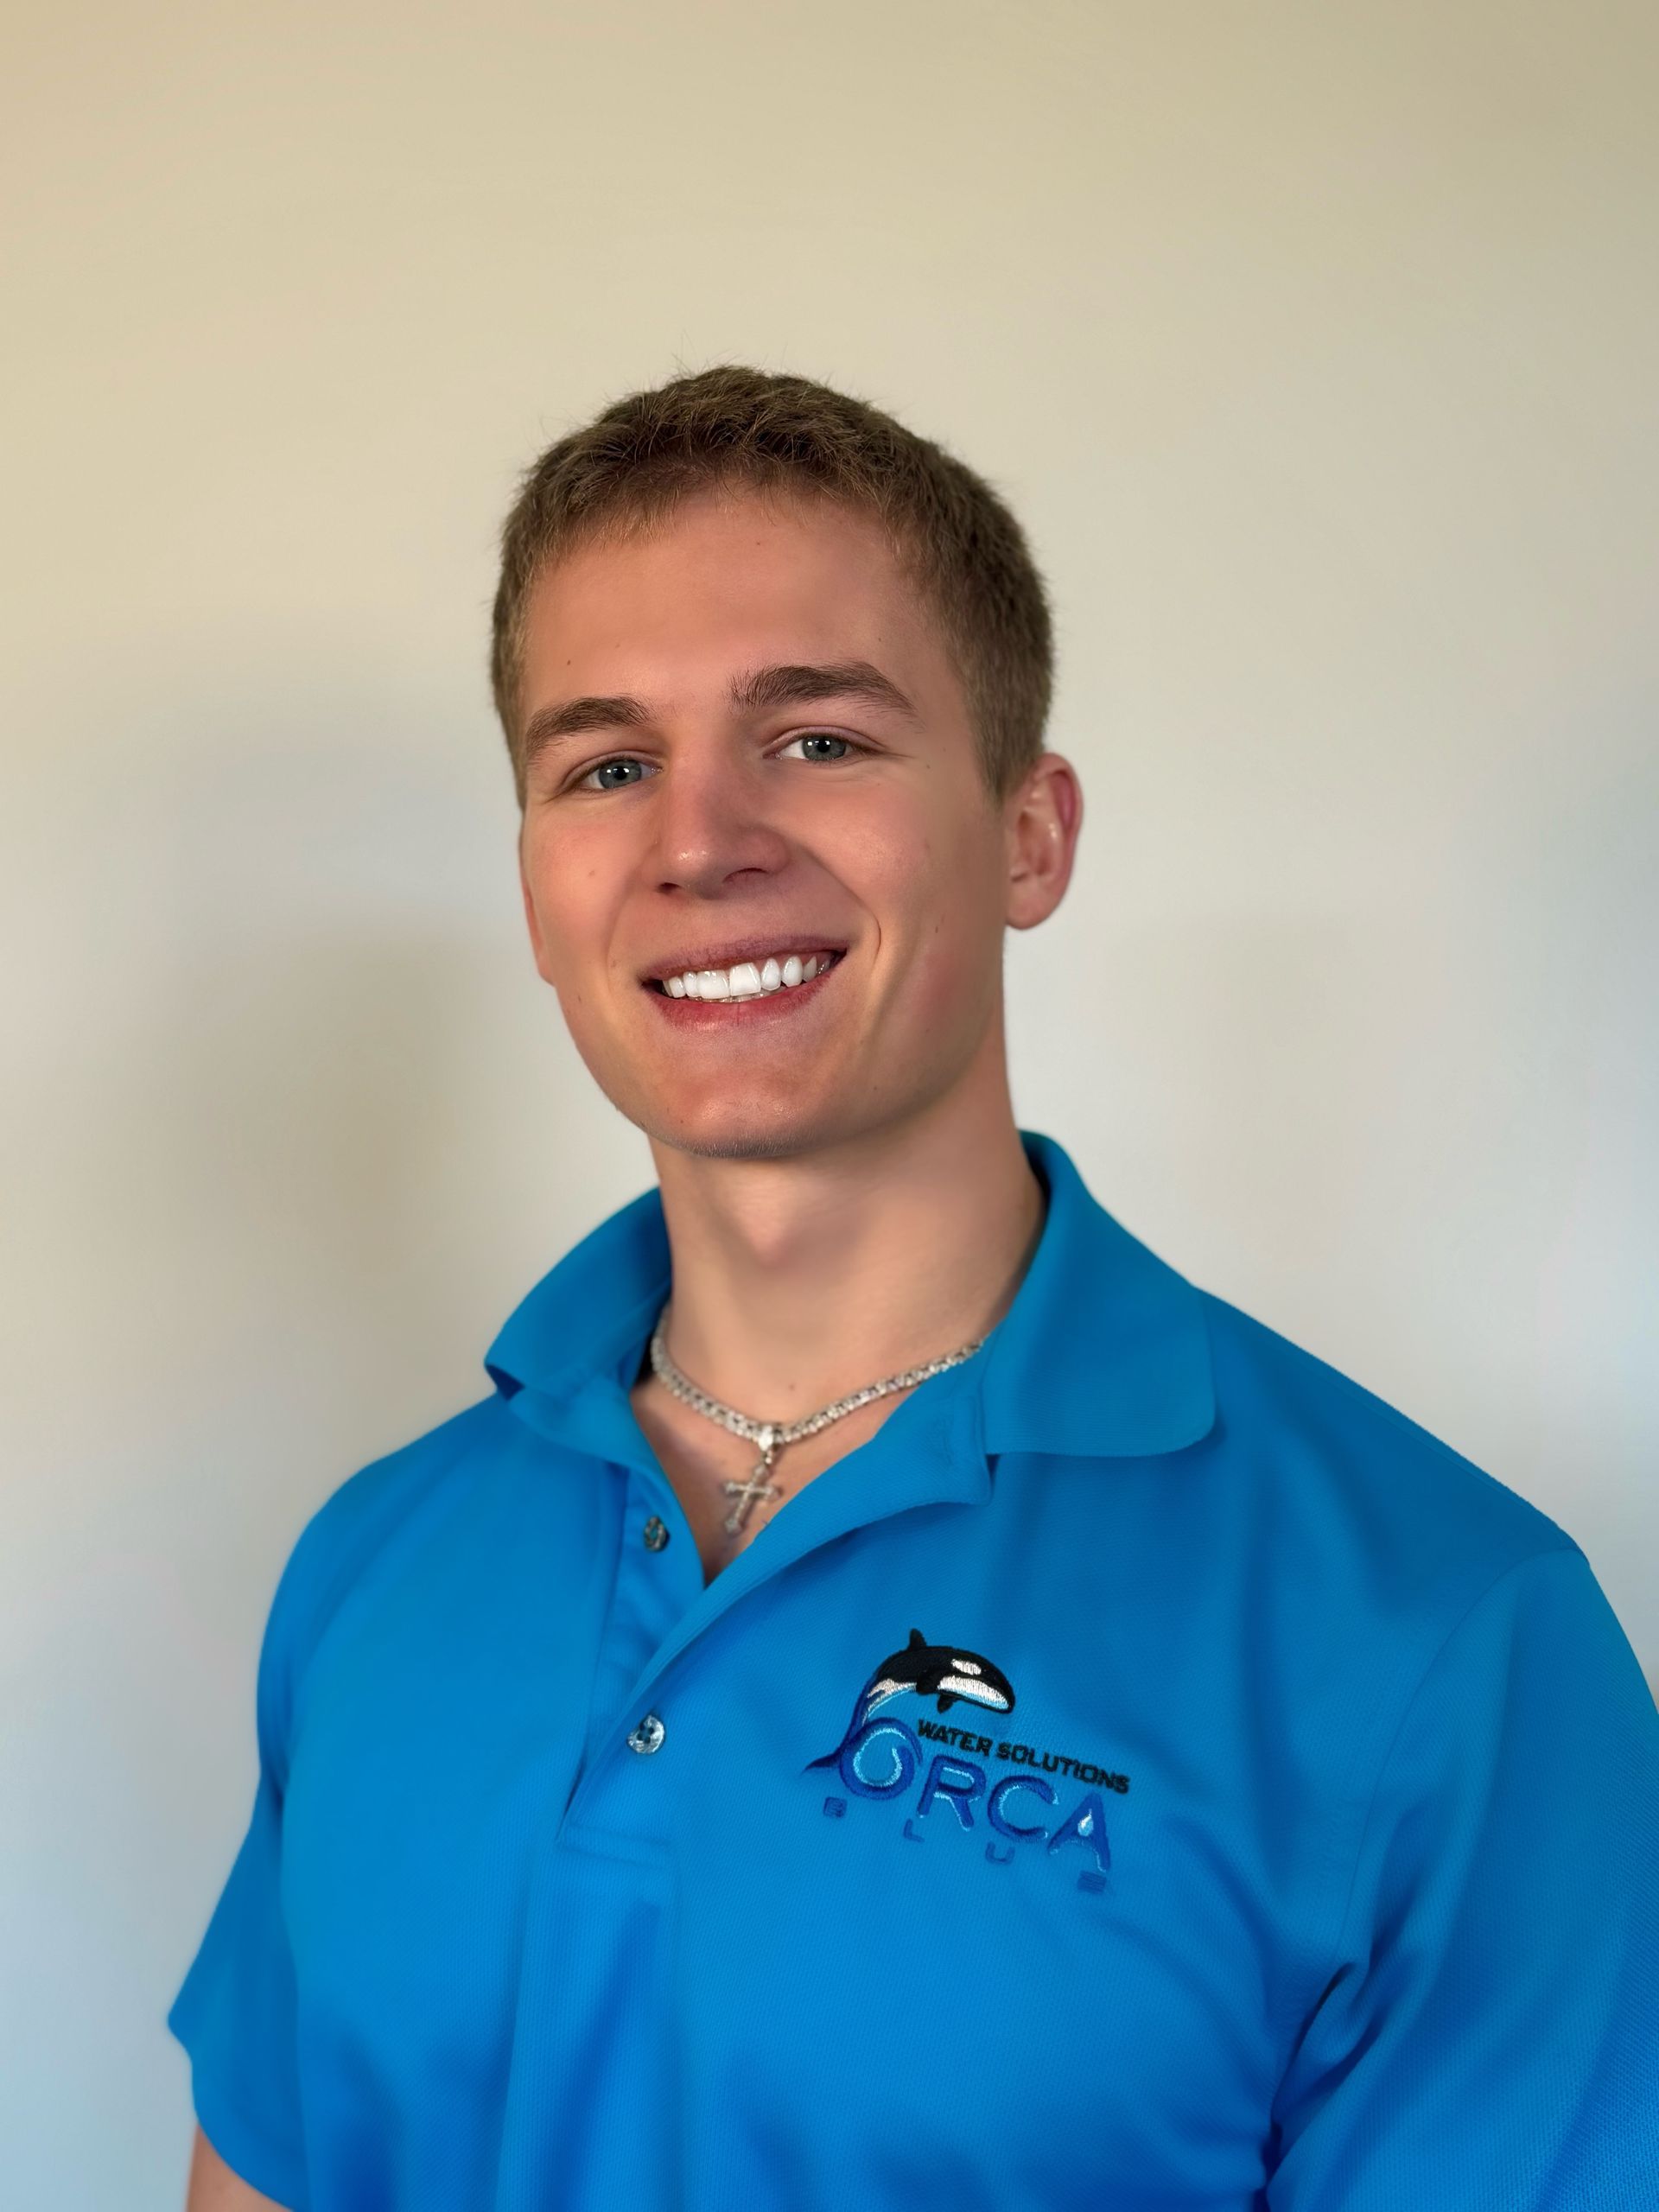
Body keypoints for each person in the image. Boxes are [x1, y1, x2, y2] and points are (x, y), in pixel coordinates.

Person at [168, 367, 1659, 2211]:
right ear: (543, 890)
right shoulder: (378, 1561)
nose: (701, 839)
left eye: (817, 739)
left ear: (1029, 832)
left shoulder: (1451, 1644)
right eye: (607, 764)